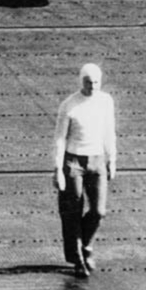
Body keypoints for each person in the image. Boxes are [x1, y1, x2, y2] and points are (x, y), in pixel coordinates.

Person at [53, 63, 117, 278]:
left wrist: (112, 158)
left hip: (97, 159)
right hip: (73, 162)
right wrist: (58, 169)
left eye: (96, 82)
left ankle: (85, 244)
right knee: (73, 211)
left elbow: (109, 130)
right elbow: (60, 139)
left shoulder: (106, 101)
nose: (92, 86)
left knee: (98, 211)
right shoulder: (69, 106)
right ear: (81, 82)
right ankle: (77, 258)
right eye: (88, 82)